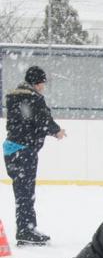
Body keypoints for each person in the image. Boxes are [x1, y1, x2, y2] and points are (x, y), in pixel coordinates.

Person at [3, 66, 66, 246]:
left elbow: (28, 121)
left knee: (22, 191)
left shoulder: (15, 97)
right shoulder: (32, 98)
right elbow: (42, 121)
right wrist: (57, 132)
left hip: (12, 149)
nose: (43, 87)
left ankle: (26, 228)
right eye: (42, 83)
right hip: (23, 151)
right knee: (25, 192)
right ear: (36, 83)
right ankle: (25, 229)